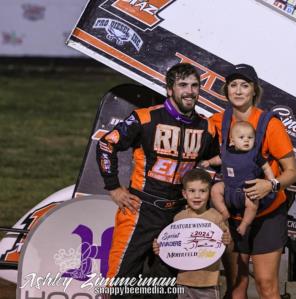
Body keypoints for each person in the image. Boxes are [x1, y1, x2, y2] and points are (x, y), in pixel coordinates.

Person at [96, 63, 219, 298]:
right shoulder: (144, 118)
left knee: (162, 289)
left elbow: (217, 161)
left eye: (195, 86)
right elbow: (106, 144)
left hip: (177, 217)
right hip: (139, 210)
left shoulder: (207, 127)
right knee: (119, 285)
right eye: (182, 85)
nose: (189, 91)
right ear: (169, 89)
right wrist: (113, 186)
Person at [209, 64, 296, 299]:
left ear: (254, 91)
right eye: (233, 85)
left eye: (245, 85)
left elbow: (292, 172)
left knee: (266, 284)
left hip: (267, 214)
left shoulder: (270, 124)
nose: (238, 91)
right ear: (226, 89)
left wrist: (270, 184)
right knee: (236, 287)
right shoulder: (216, 122)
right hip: (233, 214)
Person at [153, 168, 231, 299]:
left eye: (202, 191)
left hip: (208, 283)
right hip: (183, 282)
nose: (197, 196)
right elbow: (171, 247)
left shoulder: (216, 217)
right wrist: (160, 248)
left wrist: (227, 239)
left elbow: (226, 244)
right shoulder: (178, 218)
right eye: (192, 191)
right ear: (184, 194)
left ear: (209, 193)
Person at [200, 120, 276, 237]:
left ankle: (245, 224)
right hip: (228, 187)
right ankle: (224, 212)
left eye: (250, 137)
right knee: (215, 189)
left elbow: (266, 167)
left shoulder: (255, 155)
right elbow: (219, 159)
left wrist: (271, 181)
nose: (246, 140)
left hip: (246, 189)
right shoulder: (227, 152)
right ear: (232, 140)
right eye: (241, 137)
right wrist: (209, 162)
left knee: (253, 204)